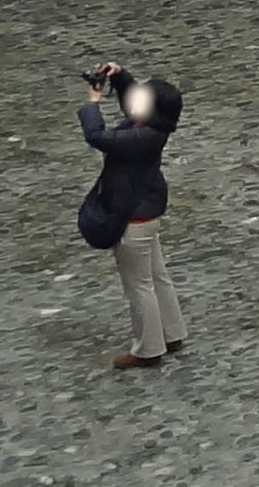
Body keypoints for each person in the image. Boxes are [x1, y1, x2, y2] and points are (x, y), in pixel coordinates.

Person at [77, 63, 186, 369]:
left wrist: (92, 103)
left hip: (133, 219)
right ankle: (171, 332)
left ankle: (148, 349)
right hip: (148, 212)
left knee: (138, 285)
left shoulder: (141, 139)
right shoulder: (152, 129)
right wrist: (121, 76)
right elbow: (134, 103)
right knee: (157, 276)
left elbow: (97, 136)